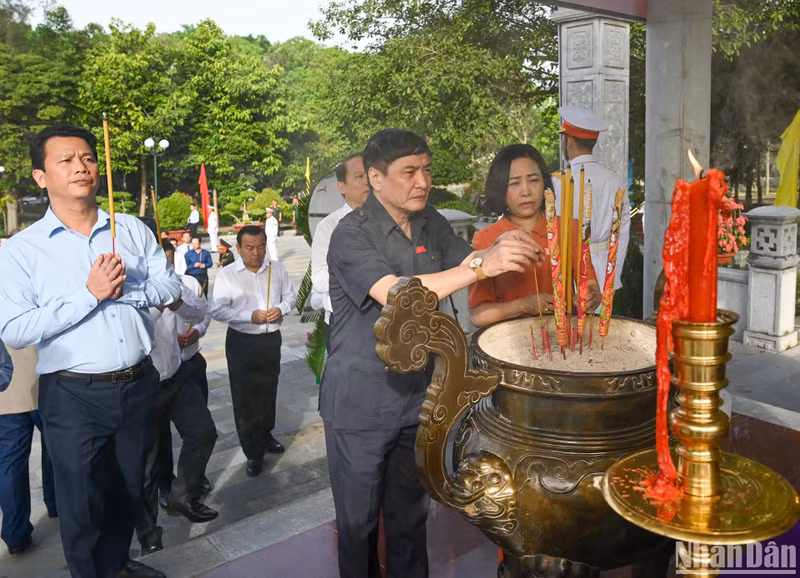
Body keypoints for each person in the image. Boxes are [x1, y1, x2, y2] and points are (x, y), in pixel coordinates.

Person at [322, 128, 543, 578]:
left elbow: (469, 259)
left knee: (409, 520)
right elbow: (398, 294)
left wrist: (503, 245)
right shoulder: (350, 235)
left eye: (425, 169)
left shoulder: (431, 222)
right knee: (359, 528)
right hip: (359, 403)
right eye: (409, 172)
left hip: (416, 399)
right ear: (376, 178)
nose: (422, 181)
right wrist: (482, 264)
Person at [0, 123, 180, 578]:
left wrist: (128, 290)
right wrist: (90, 294)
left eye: (87, 158)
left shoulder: (130, 229)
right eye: (66, 160)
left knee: (128, 489)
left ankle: (116, 565)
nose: (81, 167)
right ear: (41, 176)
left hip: (137, 382)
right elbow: (15, 329)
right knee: (81, 503)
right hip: (73, 394)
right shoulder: (22, 250)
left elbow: (170, 286)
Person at [135, 240, 218, 556]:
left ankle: (183, 495)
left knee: (203, 432)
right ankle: (148, 533)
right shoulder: (128, 284)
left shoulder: (176, 281)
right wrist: (159, 305)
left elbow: (200, 311)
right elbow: (133, 330)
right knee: (147, 464)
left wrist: (177, 301)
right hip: (143, 384)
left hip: (176, 373)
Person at [469, 144, 601, 327]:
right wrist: (523, 305)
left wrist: (589, 297)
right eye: (514, 183)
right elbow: (478, 316)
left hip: (563, 335)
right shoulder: (486, 238)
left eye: (533, 180)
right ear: (501, 189)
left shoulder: (569, 227)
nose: (526, 191)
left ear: (544, 184)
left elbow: (593, 287)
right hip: (507, 339)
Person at [210, 226, 296, 477]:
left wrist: (281, 308)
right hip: (242, 342)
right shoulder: (228, 274)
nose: (256, 253)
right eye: (249, 248)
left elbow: (291, 297)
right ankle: (252, 452)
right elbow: (217, 310)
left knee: (268, 391)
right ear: (238, 248)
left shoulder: (276, 268)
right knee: (245, 398)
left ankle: (265, 434)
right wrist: (250, 316)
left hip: (270, 340)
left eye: (260, 247)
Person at [553, 106, 631, 292]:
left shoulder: (556, 181)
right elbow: (622, 233)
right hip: (604, 269)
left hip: (569, 271)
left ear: (568, 141)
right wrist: (613, 276)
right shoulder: (614, 181)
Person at [0, 335, 57, 559]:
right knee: (58, 449)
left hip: (7, 392)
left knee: (11, 464)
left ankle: (15, 534)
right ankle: (57, 503)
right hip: (44, 378)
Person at [310, 153, 369, 323]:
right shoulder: (328, 227)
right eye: (359, 176)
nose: (367, 181)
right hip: (344, 320)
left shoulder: (389, 220)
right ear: (342, 187)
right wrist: (362, 276)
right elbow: (319, 278)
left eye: (370, 175)